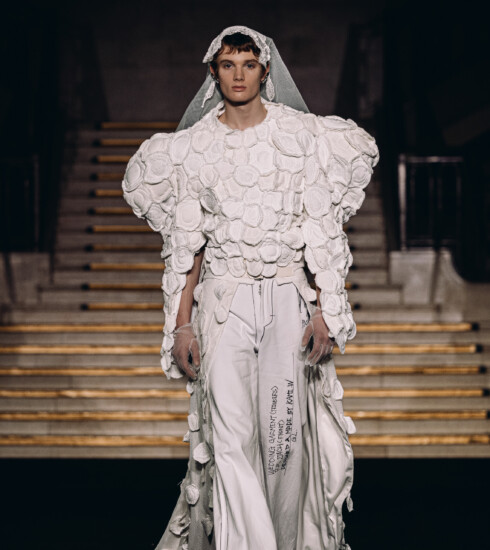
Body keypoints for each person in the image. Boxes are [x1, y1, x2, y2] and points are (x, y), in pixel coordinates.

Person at [122, 25, 379, 550]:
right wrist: (182, 324)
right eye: (227, 64)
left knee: (284, 446)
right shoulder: (192, 148)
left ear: (265, 70)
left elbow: (320, 230)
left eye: (248, 64)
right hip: (223, 302)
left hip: (287, 299)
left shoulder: (302, 137)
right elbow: (187, 244)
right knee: (230, 440)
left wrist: (324, 310)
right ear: (213, 72)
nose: (238, 75)